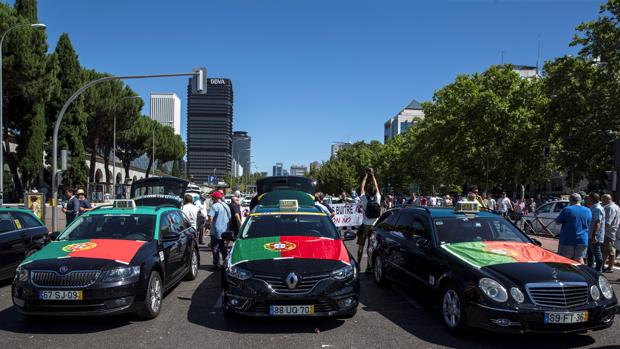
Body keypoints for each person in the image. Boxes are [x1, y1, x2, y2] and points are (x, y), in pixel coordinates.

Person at [555, 193, 591, 264]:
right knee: (579, 259)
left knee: (566, 260)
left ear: (570, 200)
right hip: (583, 239)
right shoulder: (588, 210)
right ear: (580, 200)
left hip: (568, 239)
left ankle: (566, 275)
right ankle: (581, 274)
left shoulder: (567, 209)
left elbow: (557, 222)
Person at [357, 167, 381, 272]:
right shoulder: (378, 198)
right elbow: (377, 186)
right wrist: (373, 175)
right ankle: (369, 267)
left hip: (364, 225)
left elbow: (361, 187)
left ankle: (357, 265)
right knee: (370, 247)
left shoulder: (364, 199)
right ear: (375, 192)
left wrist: (366, 175)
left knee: (361, 246)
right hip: (374, 226)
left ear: (367, 192)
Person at [208, 191, 231, 270]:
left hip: (216, 231)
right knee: (224, 248)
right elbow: (230, 218)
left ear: (215, 198)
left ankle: (216, 265)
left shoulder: (214, 206)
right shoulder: (226, 205)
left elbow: (210, 218)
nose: (212, 198)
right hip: (225, 231)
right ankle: (226, 264)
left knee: (215, 248)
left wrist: (208, 225)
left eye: (212, 197)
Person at [586, 193, 605, 272]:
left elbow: (598, 222)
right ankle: (590, 269)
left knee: (597, 254)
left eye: (588, 199)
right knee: (590, 254)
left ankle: (598, 270)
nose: (587, 200)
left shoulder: (597, 208)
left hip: (594, 235)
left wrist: (594, 235)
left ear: (592, 199)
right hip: (591, 234)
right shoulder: (593, 207)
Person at [601, 194, 619, 273]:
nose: (602, 202)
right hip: (613, 231)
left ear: (607, 200)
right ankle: (603, 265)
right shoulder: (616, 206)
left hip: (608, 232)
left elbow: (608, 222)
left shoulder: (609, 208)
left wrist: (600, 231)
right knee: (607, 250)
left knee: (610, 250)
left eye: (603, 200)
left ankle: (610, 267)